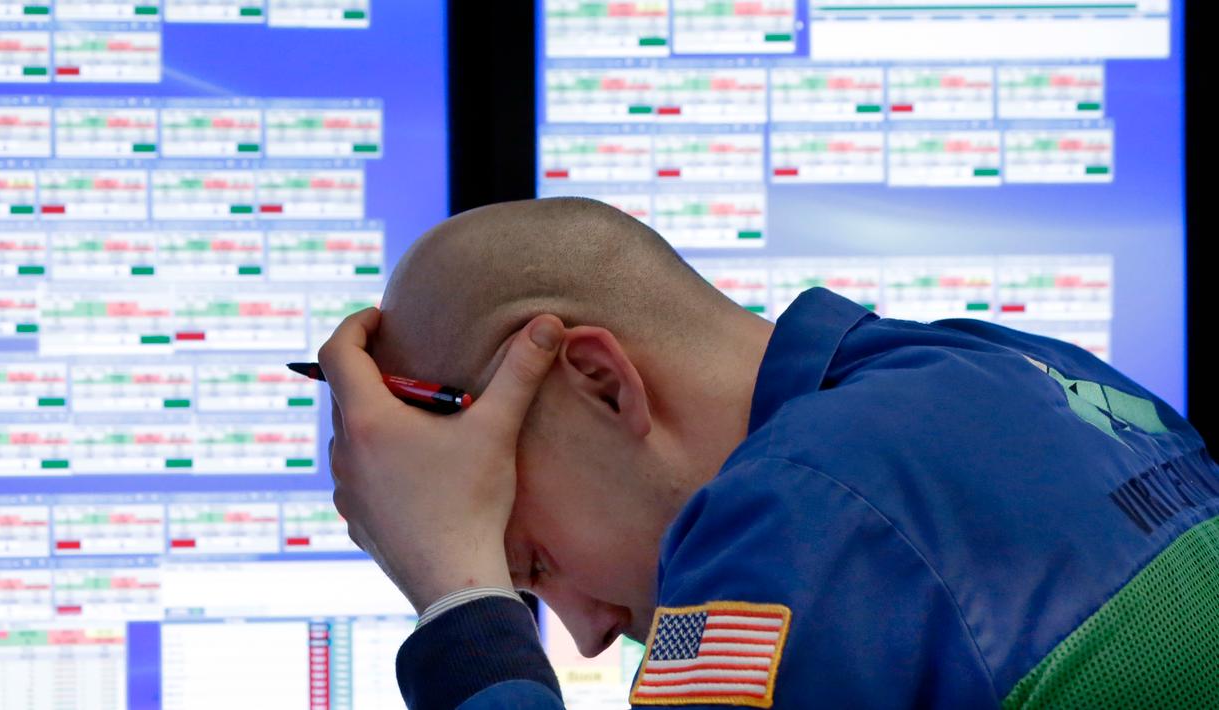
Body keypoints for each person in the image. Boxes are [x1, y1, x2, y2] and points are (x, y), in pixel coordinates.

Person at [318, 197, 1219, 709]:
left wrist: (461, 608)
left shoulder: (793, 514)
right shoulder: (1018, 365)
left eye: (535, 562)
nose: (587, 635)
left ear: (598, 380)